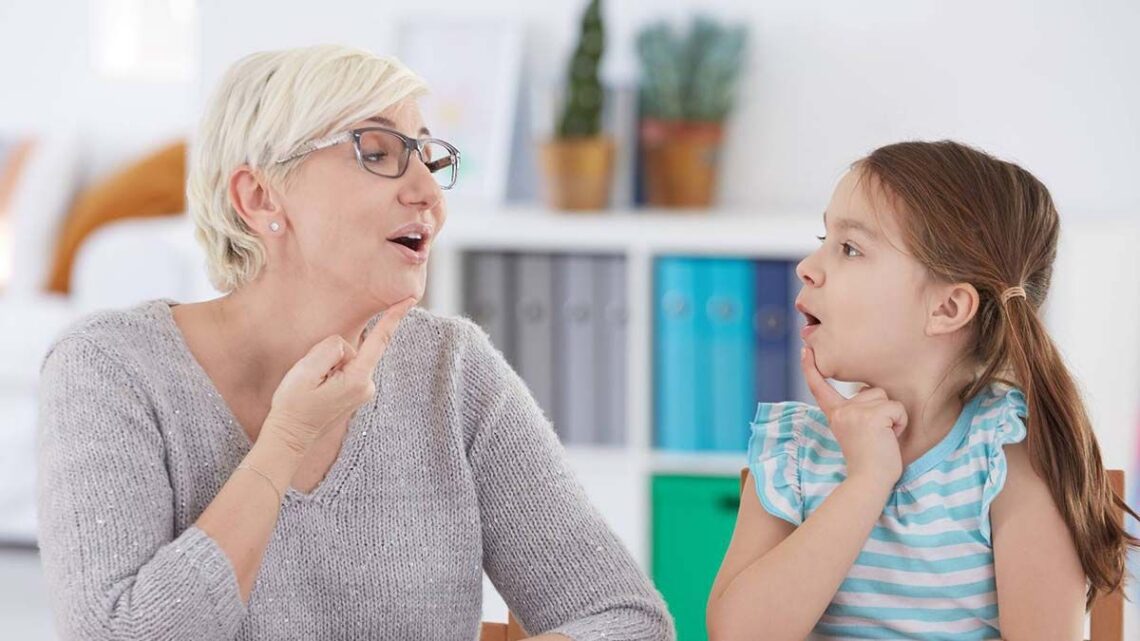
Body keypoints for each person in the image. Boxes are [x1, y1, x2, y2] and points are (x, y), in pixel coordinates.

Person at [36, 44, 673, 641]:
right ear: (259, 197)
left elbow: (625, 619)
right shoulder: (110, 369)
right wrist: (284, 442)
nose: (428, 193)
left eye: (429, 158)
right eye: (377, 151)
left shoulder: (451, 370)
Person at [706, 140, 1137, 640]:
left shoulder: (1008, 457)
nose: (807, 266)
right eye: (825, 238)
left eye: (850, 248)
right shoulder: (796, 451)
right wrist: (866, 481)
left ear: (947, 309)